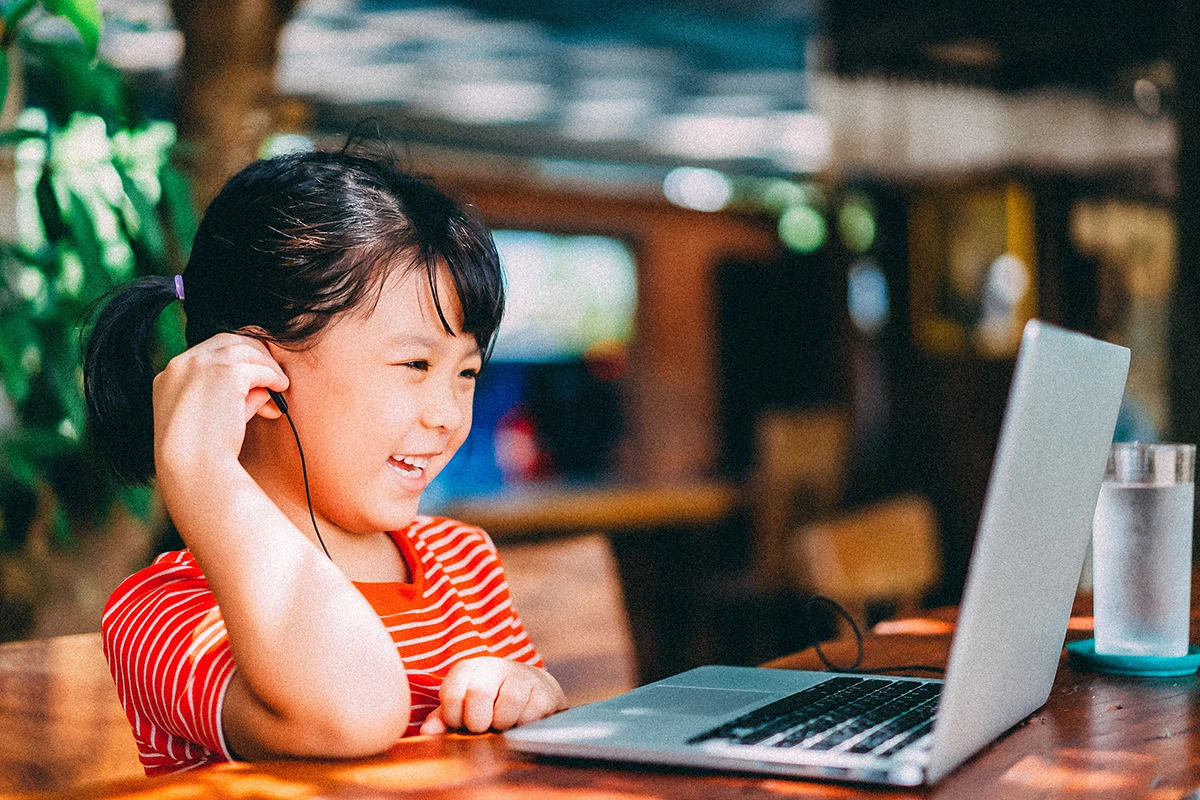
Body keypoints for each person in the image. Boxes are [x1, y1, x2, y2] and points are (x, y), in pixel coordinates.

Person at [83, 144, 565, 776]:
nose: (447, 414)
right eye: (414, 365)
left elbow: (537, 729)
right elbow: (351, 714)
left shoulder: (464, 561)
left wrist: (527, 694)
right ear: (258, 374)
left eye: (466, 372)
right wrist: (200, 469)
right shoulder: (163, 614)